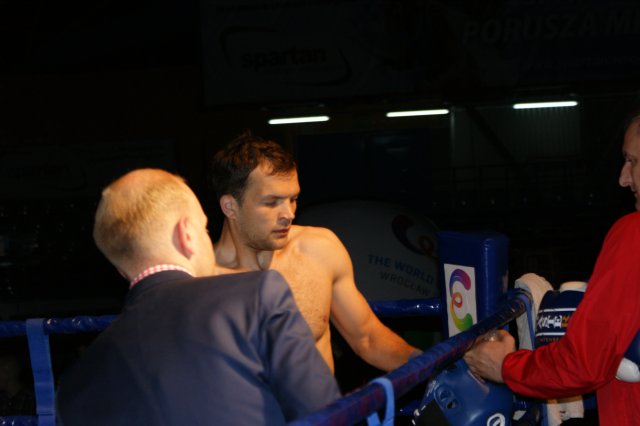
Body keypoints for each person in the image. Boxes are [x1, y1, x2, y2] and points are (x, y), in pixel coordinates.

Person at [56, 168, 340, 426]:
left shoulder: (75, 387)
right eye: (204, 228)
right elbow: (326, 414)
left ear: (120, 268)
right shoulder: (256, 295)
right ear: (187, 234)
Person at [464, 112, 640, 425]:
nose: (624, 178)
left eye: (633, 161)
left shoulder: (634, 233)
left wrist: (505, 365)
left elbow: (584, 364)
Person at [209, 131, 421, 374]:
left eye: (293, 199)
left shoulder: (319, 249)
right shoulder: (201, 281)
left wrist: (436, 366)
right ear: (230, 207)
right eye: (271, 202)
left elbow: (368, 338)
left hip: (325, 400)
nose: (289, 214)